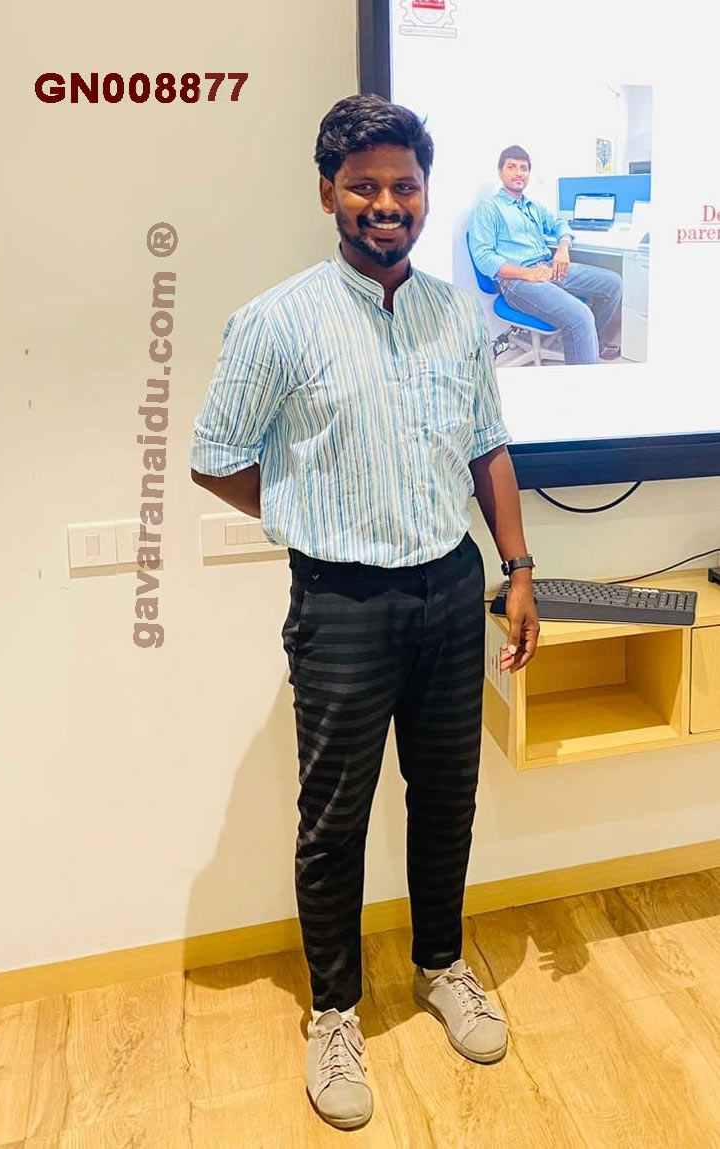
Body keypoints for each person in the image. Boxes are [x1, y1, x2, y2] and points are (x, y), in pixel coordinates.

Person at [190, 94, 539, 1132]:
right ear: (328, 194)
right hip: (340, 601)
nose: (387, 205)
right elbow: (216, 457)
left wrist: (517, 568)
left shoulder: (457, 315)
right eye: (365, 187)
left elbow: (488, 446)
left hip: (449, 590)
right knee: (335, 818)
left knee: (448, 799)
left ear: (425, 194)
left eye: (404, 186)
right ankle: (334, 1013)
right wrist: (305, 512)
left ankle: (441, 964)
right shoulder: (277, 321)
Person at [469, 145, 623, 365]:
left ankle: (590, 344)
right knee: (581, 316)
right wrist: (528, 274)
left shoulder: (533, 206)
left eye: (524, 168)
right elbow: (484, 258)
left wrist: (563, 246)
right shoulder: (489, 208)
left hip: (547, 268)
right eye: (512, 167)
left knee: (613, 284)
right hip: (517, 281)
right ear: (500, 172)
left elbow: (559, 223)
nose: (518, 173)